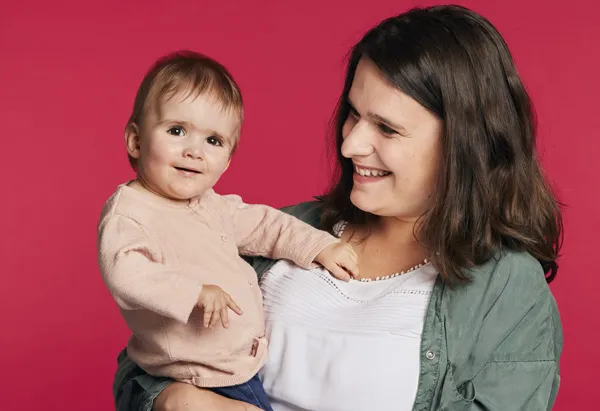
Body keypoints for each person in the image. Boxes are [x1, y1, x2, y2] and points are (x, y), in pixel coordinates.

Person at [112, 5, 563, 411]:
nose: (349, 144)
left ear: (463, 143)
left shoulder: (507, 290)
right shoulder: (281, 231)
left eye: (386, 128)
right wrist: (175, 400)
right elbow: (147, 358)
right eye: (353, 114)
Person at [98, 51, 359, 411]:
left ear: (228, 160)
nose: (194, 151)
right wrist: (194, 293)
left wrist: (318, 246)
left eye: (213, 141)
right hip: (193, 375)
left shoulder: (214, 206)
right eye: (177, 131)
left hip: (237, 370)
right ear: (136, 141)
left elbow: (268, 225)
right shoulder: (131, 212)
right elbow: (127, 273)